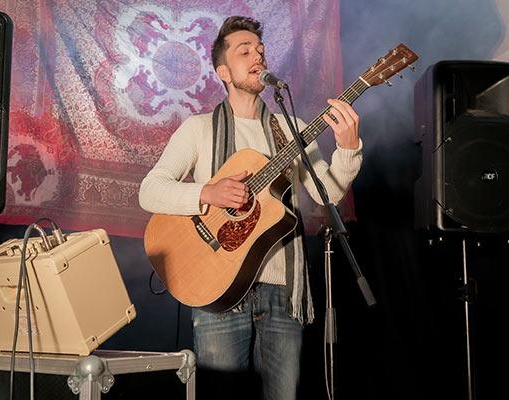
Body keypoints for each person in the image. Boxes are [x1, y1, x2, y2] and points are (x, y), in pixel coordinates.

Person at [139, 15, 362, 400]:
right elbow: (150, 191)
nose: (258, 56)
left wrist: (348, 148)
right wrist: (207, 193)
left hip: (283, 294)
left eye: (260, 50)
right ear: (223, 72)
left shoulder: (291, 128)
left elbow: (328, 193)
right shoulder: (198, 128)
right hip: (216, 290)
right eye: (245, 51)